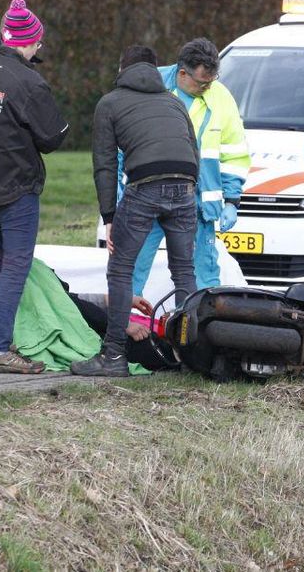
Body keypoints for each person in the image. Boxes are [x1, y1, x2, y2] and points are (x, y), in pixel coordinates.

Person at [71, 45, 199, 377]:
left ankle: (113, 357)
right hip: (186, 185)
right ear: (156, 70)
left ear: (121, 68)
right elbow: (192, 150)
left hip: (147, 183)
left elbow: (103, 166)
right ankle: (191, 358)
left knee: (120, 270)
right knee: (184, 272)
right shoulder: (173, 101)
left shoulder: (110, 103)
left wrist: (109, 217)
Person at [0, 0, 69, 374]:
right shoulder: (29, 82)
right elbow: (52, 137)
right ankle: (1, 348)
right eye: (38, 42)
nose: (40, 48)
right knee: (14, 265)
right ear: (27, 42)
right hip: (16, 187)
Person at [129, 37, 250, 294]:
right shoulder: (151, 86)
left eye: (212, 81)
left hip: (196, 203)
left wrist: (231, 199)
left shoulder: (221, 97)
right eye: (202, 82)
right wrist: (122, 191)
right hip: (148, 197)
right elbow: (123, 144)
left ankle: (195, 327)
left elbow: (234, 152)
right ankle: (125, 323)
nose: (208, 87)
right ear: (183, 73)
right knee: (131, 268)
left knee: (202, 274)